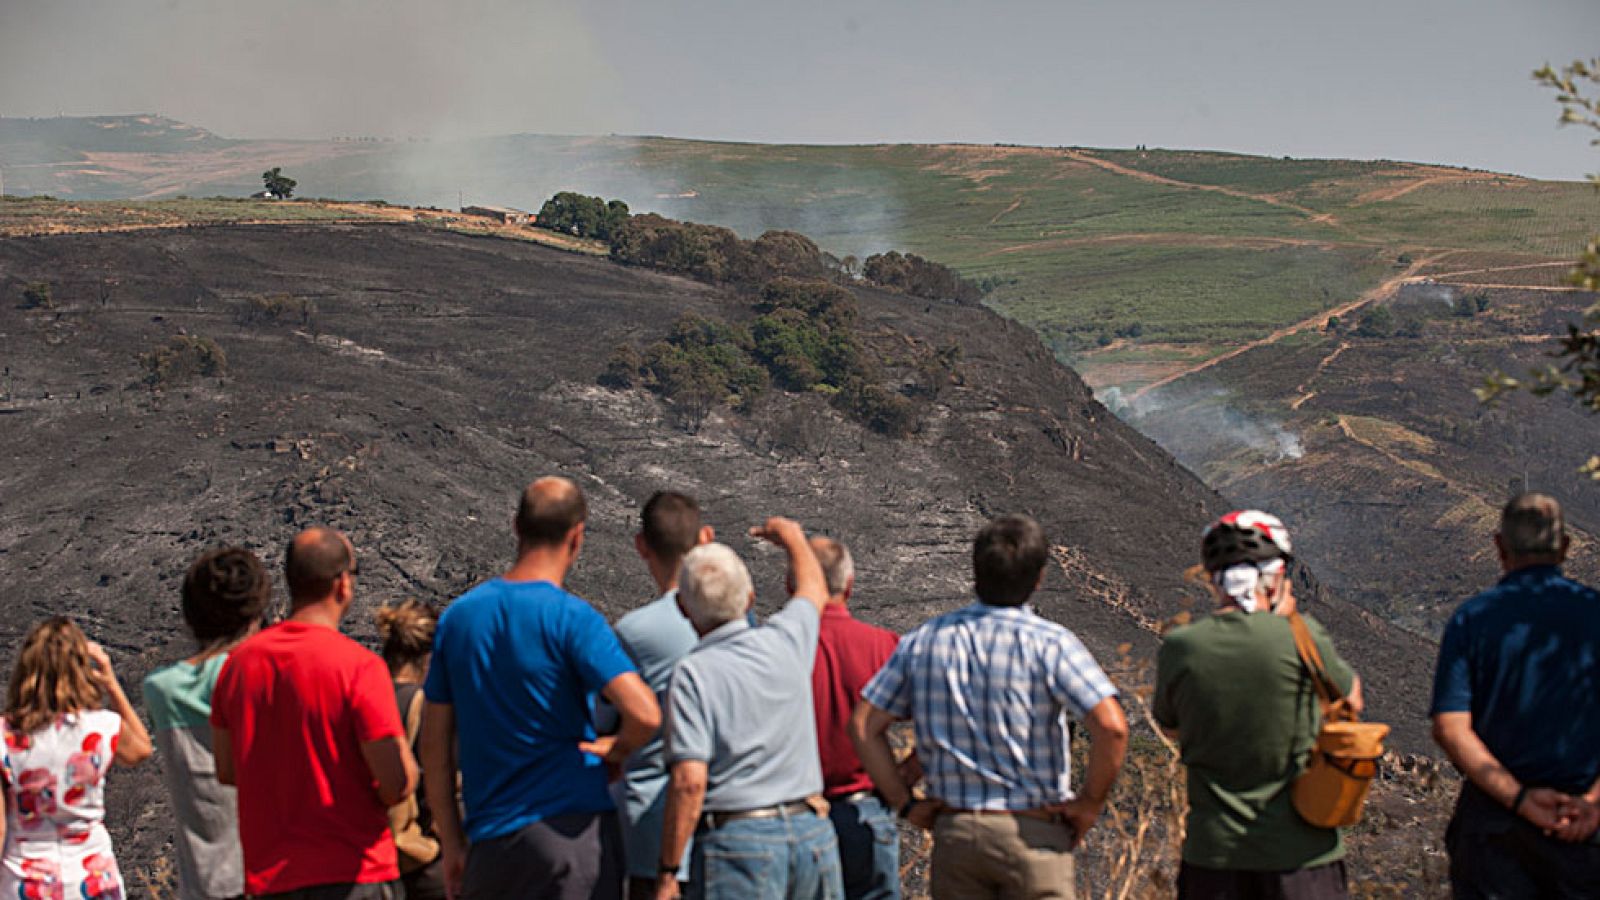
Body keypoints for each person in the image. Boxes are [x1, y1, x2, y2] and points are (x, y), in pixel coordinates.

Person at [851, 514, 1128, 900]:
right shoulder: (1052, 644)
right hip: (1035, 835)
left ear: (976, 570)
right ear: (1039, 578)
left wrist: (904, 802)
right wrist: (1089, 804)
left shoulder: (925, 640)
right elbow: (1112, 727)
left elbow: (865, 725)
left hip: (958, 835)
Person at [421, 477, 661, 900]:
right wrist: (616, 749)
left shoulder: (458, 619)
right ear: (577, 537)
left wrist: (453, 844)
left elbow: (434, 747)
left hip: (491, 843)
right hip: (568, 835)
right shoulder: (573, 619)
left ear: (516, 527)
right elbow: (645, 714)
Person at [1153, 510, 1363, 899]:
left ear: (1213, 578)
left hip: (1214, 857)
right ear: (1276, 575)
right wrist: (1290, 620)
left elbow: (1170, 726)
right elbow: (1351, 701)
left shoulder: (1182, 648)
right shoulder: (1302, 638)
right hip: (1302, 857)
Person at [210, 527, 417, 900]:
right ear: (343, 584)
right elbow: (395, 784)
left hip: (271, 878)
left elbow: (227, 769)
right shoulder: (359, 667)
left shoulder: (238, 666)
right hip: (354, 872)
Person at [656, 517, 844, 900]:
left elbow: (690, 781)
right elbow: (813, 588)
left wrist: (669, 870)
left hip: (739, 843)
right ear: (750, 598)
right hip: (811, 833)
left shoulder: (693, 674)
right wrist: (792, 536)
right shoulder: (787, 641)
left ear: (683, 608)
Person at [1431, 493, 1600, 896]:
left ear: (1499, 546)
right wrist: (1592, 802)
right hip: (1585, 833)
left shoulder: (1473, 620)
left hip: (1495, 833)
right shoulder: (1593, 613)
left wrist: (1521, 800)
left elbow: (1450, 728)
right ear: (1564, 547)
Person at [144, 547, 270, 900]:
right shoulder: (270, 681)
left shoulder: (162, 691)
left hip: (203, 883)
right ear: (256, 613)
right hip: (274, 875)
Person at [1, 617, 153, 900]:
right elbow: (141, 749)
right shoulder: (101, 726)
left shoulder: (5, 735)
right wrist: (110, 683)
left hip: (27, 880)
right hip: (92, 878)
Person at [611, 491, 714, 900]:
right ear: (704, 539)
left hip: (648, 836)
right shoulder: (738, 625)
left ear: (642, 545)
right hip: (722, 832)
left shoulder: (632, 633)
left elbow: (609, 726)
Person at [808, 538, 901, 900]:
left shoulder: (774, 648)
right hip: (866, 810)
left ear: (792, 584)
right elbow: (937, 721)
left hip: (800, 815)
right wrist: (902, 785)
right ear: (848, 585)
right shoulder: (883, 645)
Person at [375, 599, 446, 900]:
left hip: (361, 862)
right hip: (419, 868)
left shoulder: (360, 697)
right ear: (429, 658)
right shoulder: (425, 708)